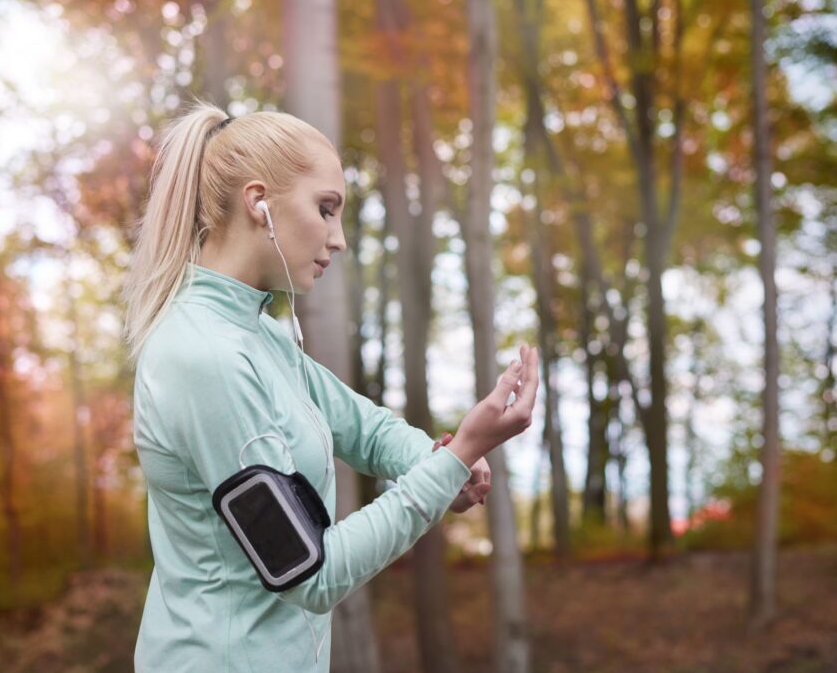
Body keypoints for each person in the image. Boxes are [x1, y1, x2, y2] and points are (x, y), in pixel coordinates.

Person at [121, 100, 540, 672]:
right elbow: (306, 572)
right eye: (326, 209)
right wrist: (459, 454)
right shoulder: (206, 356)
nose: (338, 239)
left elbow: (361, 426)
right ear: (258, 203)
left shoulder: (256, 333)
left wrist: (439, 461)